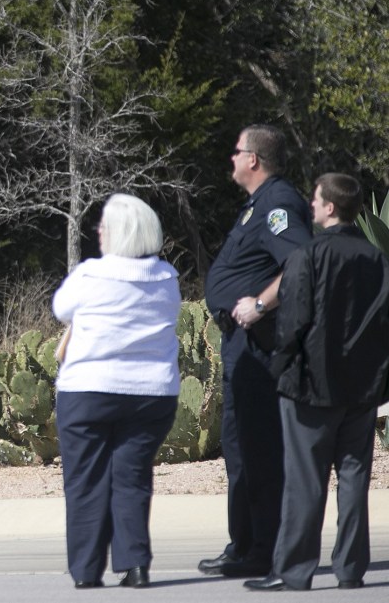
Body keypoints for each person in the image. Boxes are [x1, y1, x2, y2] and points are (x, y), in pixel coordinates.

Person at [244, 174, 389, 591]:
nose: (310, 204)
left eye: (316, 199)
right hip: (361, 389)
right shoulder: (377, 260)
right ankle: (350, 569)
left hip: (310, 385)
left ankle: (294, 570)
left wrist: (279, 367)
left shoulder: (307, 256)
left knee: (306, 480)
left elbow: (293, 320)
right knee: (354, 476)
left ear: (329, 207)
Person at [52, 193, 180, 589]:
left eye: (103, 226)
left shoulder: (90, 274)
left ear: (118, 233)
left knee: (85, 480)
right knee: (132, 477)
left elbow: (61, 309)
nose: (98, 232)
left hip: (89, 389)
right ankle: (135, 564)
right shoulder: (167, 276)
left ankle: (88, 571)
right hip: (152, 394)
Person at [201, 125, 313, 577]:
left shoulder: (279, 203)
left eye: (236, 151)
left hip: (260, 345)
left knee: (261, 450)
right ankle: (244, 543)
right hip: (239, 347)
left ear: (254, 160)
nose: (231, 159)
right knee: (239, 446)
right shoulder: (257, 205)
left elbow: (301, 263)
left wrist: (261, 303)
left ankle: (266, 548)